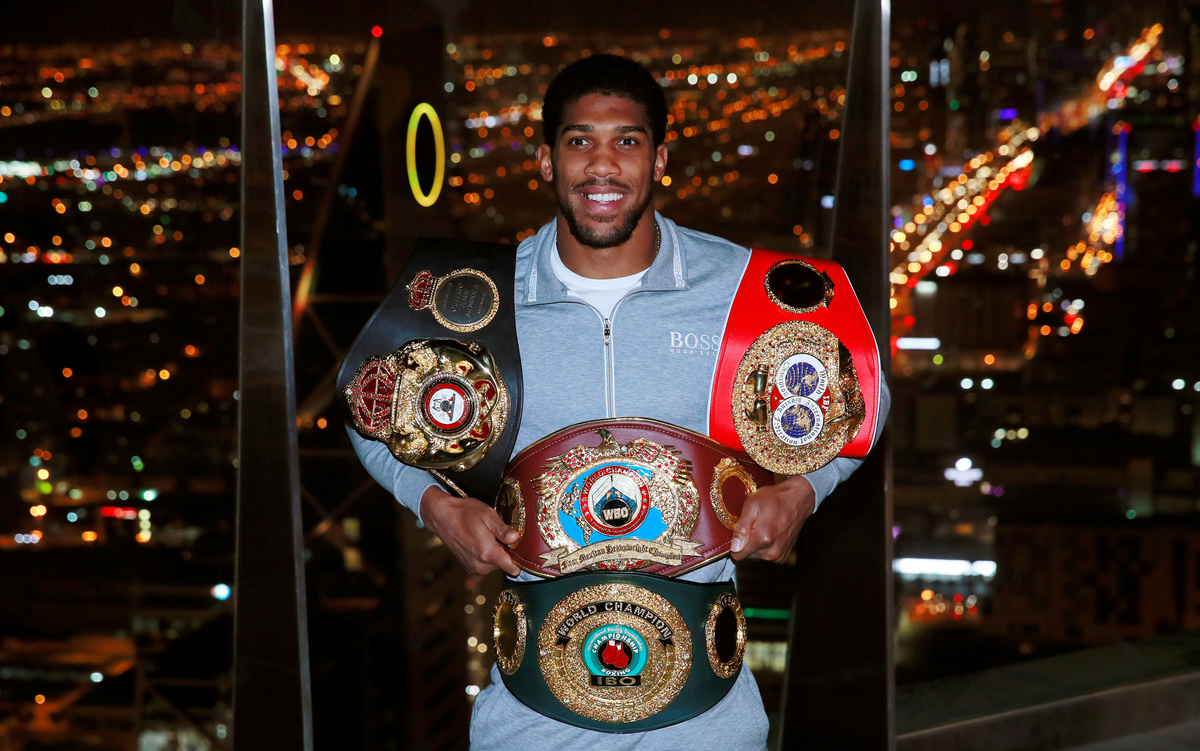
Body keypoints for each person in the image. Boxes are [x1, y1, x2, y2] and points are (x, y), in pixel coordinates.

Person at [349, 53, 890, 751]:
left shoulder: (738, 286)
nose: (601, 165)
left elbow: (858, 392)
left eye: (626, 141)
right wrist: (433, 504)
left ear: (659, 159)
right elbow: (371, 404)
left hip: (708, 725)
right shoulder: (479, 298)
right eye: (579, 141)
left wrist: (805, 491)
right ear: (546, 161)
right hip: (530, 724)